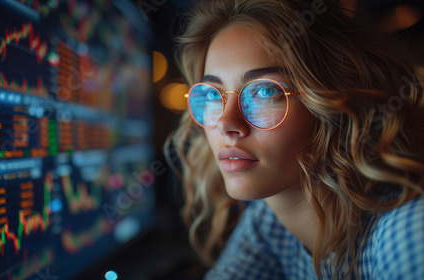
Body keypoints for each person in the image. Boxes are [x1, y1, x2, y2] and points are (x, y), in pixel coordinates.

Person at [164, 0, 424, 279]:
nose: (226, 123)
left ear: (331, 106)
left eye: (265, 92)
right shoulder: (268, 223)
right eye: (214, 94)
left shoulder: (408, 231)